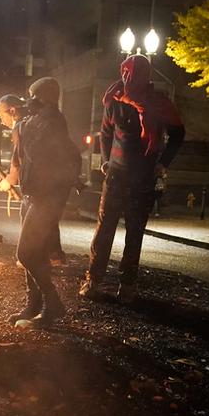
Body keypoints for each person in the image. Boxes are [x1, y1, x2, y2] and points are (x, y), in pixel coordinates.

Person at [81, 54, 184, 304]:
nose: (127, 77)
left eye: (133, 72)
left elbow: (178, 132)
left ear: (144, 75)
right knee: (104, 230)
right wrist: (106, 160)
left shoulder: (158, 103)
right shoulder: (114, 100)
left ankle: (127, 285)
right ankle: (93, 280)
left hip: (143, 178)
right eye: (125, 72)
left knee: (134, 232)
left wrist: (162, 163)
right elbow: (105, 133)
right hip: (116, 175)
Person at [1, 77, 81, 328]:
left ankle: (53, 304)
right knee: (35, 252)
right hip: (31, 194)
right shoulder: (34, 121)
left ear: (46, 98)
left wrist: (23, 120)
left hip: (46, 198)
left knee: (25, 252)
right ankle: (33, 304)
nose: (30, 100)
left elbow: (37, 144)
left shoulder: (53, 122)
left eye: (34, 96)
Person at [0, 92, 66, 263]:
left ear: (12, 111)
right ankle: (54, 255)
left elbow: (17, 163)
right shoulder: (41, 121)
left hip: (39, 187)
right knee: (47, 219)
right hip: (55, 182)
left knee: (31, 221)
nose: (0, 120)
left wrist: (8, 182)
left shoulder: (22, 126)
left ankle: (32, 260)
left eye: (0, 115)